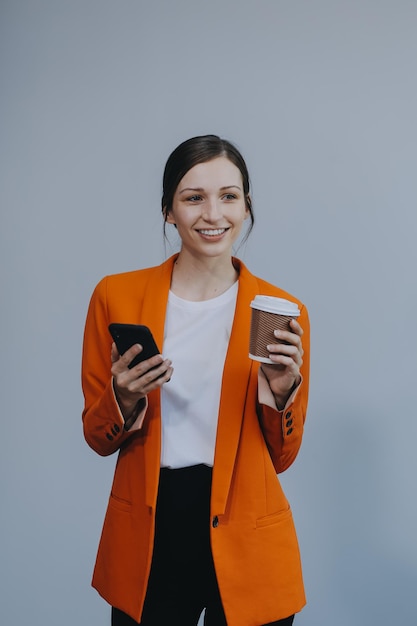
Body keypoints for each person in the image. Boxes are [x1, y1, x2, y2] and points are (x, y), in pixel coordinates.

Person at [81, 135, 310, 626]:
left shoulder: (277, 310)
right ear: (168, 210)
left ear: (247, 206)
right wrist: (122, 398)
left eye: (229, 196)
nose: (213, 214)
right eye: (193, 197)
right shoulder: (115, 296)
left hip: (249, 528)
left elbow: (284, 457)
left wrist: (281, 389)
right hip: (151, 529)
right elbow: (97, 436)